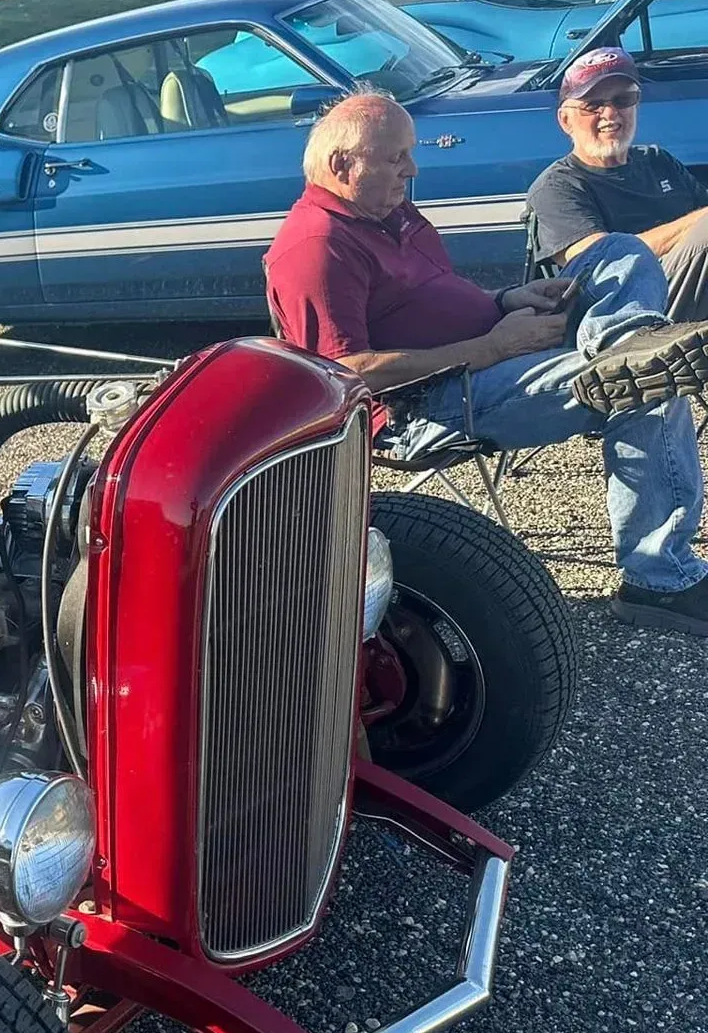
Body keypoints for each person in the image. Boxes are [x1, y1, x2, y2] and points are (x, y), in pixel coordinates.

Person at [264, 90, 708, 636]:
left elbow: (437, 297)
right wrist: (492, 347)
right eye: (397, 157)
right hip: (429, 405)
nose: (413, 168)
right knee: (644, 387)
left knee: (619, 252)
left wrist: (507, 301)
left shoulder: (387, 211)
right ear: (342, 165)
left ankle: (623, 341)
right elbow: (344, 374)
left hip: (495, 351)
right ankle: (658, 580)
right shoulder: (316, 245)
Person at [527, 47, 708, 321]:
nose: (610, 114)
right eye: (593, 105)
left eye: (623, 100)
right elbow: (601, 262)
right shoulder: (556, 187)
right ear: (565, 120)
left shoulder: (657, 160)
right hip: (630, 312)